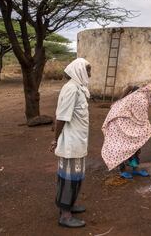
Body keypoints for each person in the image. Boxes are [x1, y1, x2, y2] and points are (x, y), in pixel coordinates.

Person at [50, 58, 91, 228]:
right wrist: (55, 139)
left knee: (76, 176)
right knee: (69, 178)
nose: (89, 74)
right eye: (88, 70)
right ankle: (65, 215)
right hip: (71, 143)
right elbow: (61, 117)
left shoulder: (79, 88)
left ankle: (70, 206)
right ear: (79, 71)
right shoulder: (71, 89)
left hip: (78, 141)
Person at [101, 83, 151, 179]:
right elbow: (143, 123)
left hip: (126, 119)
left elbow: (130, 86)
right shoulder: (142, 101)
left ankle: (135, 169)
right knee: (122, 145)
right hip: (119, 121)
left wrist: (119, 100)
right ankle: (122, 170)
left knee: (135, 144)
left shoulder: (141, 91)